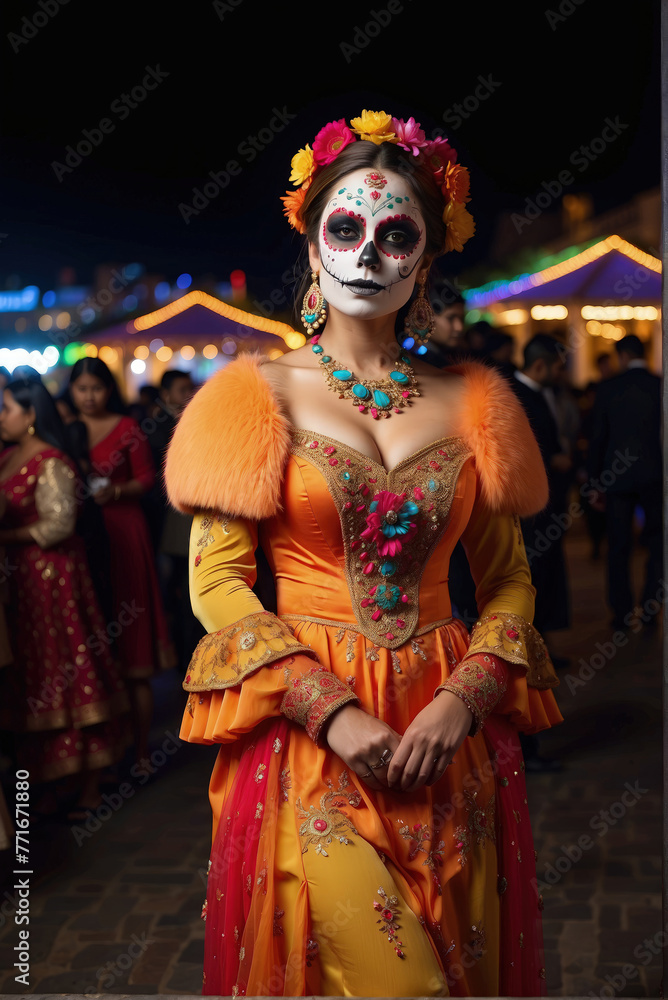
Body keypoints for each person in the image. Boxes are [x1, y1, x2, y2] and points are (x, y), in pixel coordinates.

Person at [166, 111, 562, 998]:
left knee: (454, 970)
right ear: (312, 248)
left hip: (444, 734)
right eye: (345, 228)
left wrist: (466, 701)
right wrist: (330, 712)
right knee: (397, 981)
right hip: (312, 735)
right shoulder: (249, 397)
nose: (369, 253)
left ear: (425, 259)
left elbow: (507, 581)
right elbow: (218, 584)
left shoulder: (475, 402)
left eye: (396, 234)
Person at [0, 378, 129, 821]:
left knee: (67, 670)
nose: (2, 416)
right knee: (33, 674)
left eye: (8, 409)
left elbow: (59, 524)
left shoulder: (51, 461)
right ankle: (49, 780)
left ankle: (90, 784)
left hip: (52, 581)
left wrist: (7, 536)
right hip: (21, 585)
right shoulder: (8, 457)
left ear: (31, 414)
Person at [68, 357, 175, 765]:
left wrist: (113, 492)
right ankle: (104, 754)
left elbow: (148, 479)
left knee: (132, 647)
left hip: (124, 532)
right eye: (82, 389)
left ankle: (142, 750)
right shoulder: (65, 429)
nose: (89, 396)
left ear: (108, 389)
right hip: (83, 536)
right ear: (72, 392)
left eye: (96, 388)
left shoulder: (127, 427)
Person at [587, 335, 662, 628]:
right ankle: (651, 606)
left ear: (622, 356)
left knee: (618, 547)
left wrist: (594, 482)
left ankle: (621, 612)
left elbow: (598, 438)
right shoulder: (659, 385)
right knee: (656, 544)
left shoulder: (608, 388)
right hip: (655, 476)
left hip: (615, 478)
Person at [511, 334, 572, 638]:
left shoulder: (536, 392)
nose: (562, 374)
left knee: (546, 572)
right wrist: (555, 461)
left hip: (547, 504)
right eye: (558, 368)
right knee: (534, 573)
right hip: (531, 508)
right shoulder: (516, 395)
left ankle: (542, 643)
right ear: (539, 365)